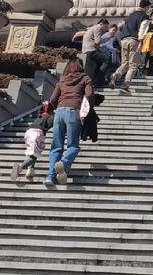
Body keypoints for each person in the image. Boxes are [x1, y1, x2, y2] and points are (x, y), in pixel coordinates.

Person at [45, 59, 93, 187]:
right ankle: (64, 162)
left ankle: (50, 176)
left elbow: (52, 99)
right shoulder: (85, 78)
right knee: (73, 146)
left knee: (56, 146)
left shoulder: (62, 79)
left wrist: (53, 107)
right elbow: (89, 94)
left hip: (59, 112)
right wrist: (88, 108)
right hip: (73, 112)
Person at [110, 0, 150, 88]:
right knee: (133, 65)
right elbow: (143, 30)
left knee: (125, 63)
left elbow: (120, 26)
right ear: (147, 7)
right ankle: (126, 83)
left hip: (124, 40)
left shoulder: (131, 15)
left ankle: (115, 75)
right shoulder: (144, 16)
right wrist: (141, 41)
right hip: (134, 40)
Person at [10, 106, 51, 182]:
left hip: (28, 133)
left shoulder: (40, 116)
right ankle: (20, 167)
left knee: (32, 153)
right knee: (34, 155)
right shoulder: (51, 117)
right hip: (37, 134)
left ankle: (30, 170)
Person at [76, 18, 112, 87]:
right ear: (101, 24)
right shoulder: (97, 28)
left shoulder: (92, 28)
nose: (105, 29)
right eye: (105, 27)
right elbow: (97, 41)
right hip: (91, 50)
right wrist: (107, 38)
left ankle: (98, 80)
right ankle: (100, 80)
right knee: (106, 60)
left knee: (98, 64)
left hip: (86, 50)